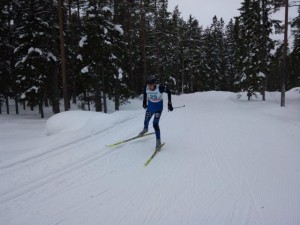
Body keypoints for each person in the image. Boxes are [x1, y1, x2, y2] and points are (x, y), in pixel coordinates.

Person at [139, 75, 173, 149]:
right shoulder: (146, 87)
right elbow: (145, 93)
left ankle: (158, 142)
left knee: (155, 124)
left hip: (158, 107)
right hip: (150, 106)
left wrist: (169, 103)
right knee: (146, 120)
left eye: (151, 85)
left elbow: (169, 92)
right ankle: (145, 129)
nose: (149, 86)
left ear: (154, 84)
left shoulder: (160, 88)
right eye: (148, 85)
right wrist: (144, 102)